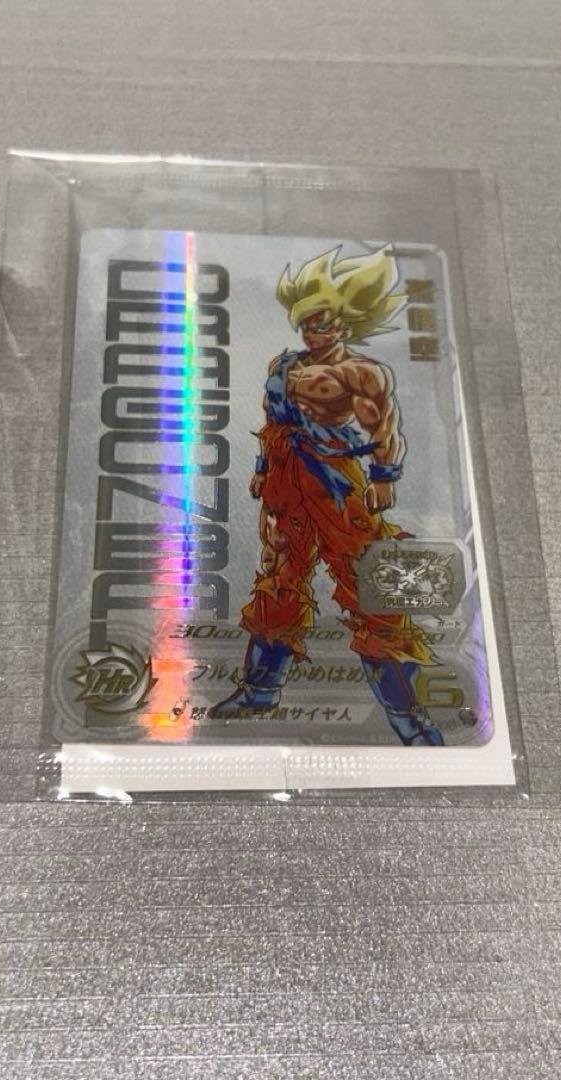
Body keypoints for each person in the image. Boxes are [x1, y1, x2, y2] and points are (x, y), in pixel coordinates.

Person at [209, 246, 444, 746]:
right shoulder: (283, 364)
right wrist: (262, 470)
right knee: (279, 579)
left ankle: (409, 718)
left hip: (337, 483)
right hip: (285, 481)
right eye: (310, 320)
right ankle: (259, 692)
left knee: (370, 586)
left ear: (344, 322)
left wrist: (384, 476)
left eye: (327, 319)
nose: (318, 328)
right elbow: (272, 422)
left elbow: (384, 428)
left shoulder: (362, 373)